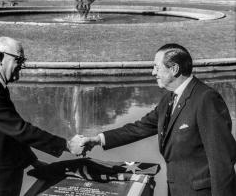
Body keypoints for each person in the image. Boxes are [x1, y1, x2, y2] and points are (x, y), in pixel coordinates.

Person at [78, 43, 236, 196]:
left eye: (156, 67)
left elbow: (222, 161)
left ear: (174, 69)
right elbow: (140, 128)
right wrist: (97, 140)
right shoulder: (169, 97)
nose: (153, 72)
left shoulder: (206, 99)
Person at [0, 36, 83, 196]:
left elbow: (7, 133)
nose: (23, 65)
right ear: (0, 57)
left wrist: (32, 161)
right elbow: (20, 130)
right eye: (19, 60)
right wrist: (66, 145)